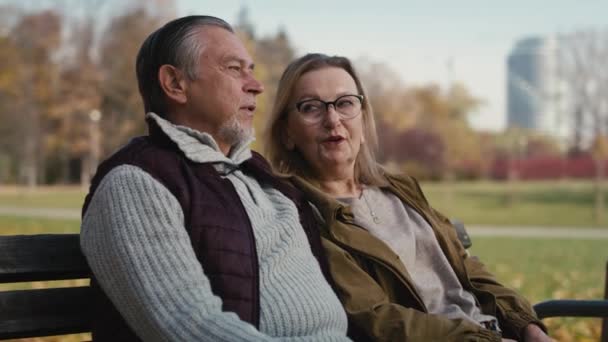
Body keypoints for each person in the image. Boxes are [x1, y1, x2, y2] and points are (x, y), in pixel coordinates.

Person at [80, 17, 351, 342]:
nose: (256, 85)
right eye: (235, 69)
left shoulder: (261, 176)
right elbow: (191, 328)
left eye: (250, 69)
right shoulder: (134, 183)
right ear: (175, 83)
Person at [265, 53, 552, 342]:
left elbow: (466, 268)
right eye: (311, 107)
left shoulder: (400, 189)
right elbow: (376, 318)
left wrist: (528, 326)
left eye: (345, 103)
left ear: (363, 122)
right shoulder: (302, 216)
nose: (332, 119)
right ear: (287, 132)